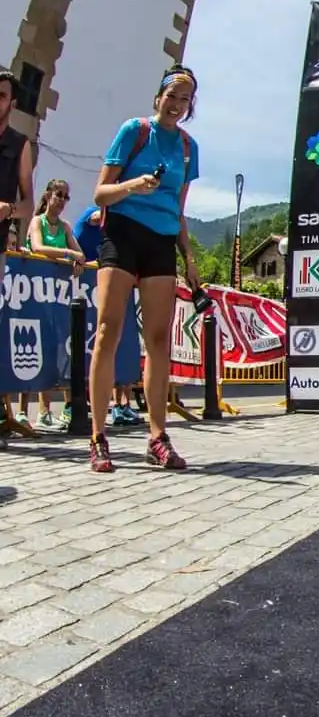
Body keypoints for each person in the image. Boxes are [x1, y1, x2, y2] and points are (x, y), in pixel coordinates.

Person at [88, 65, 202, 472]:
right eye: (171, 96)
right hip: (121, 232)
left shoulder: (189, 148)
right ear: (158, 97)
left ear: (190, 107)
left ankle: (157, 437)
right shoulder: (134, 131)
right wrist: (133, 186)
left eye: (184, 99)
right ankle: (99, 436)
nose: (176, 104)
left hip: (161, 241)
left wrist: (189, 259)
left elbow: (180, 209)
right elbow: (100, 192)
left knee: (158, 340)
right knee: (108, 330)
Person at [19, 179, 86, 429]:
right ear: (48, 196)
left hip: (56, 296)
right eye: (59, 195)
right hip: (32, 293)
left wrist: (77, 258)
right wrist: (69, 255)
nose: (62, 201)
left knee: (59, 351)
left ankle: (58, 409)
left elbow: (81, 254)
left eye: (66, 197)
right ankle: (28, 410)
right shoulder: (38, 222)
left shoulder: (66, 227)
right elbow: (38, 247)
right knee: (31, 349)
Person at [73, 206, 144, 427]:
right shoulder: (97, 211)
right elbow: (96, 217)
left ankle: (123, 404)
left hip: (119, 277)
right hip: (96, 279)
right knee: (105, 337)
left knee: (122, 343)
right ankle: (101, 422)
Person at [0, 70, 34, 261]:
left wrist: (8, 210)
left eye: (1, 96)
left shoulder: (20, 144)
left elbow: (28, 205)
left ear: (12, 104)